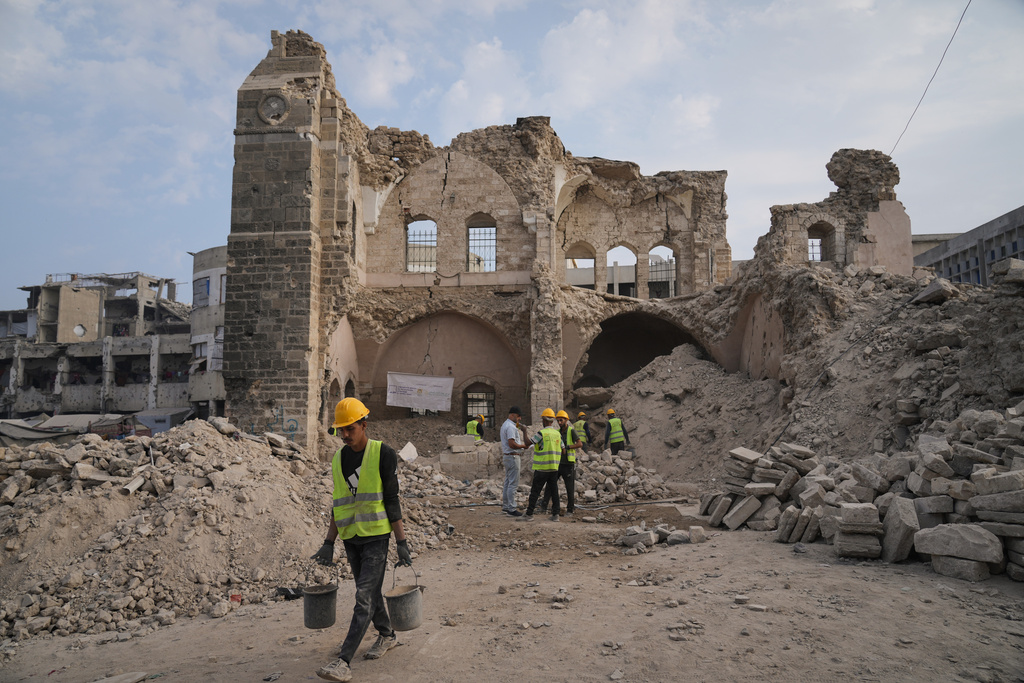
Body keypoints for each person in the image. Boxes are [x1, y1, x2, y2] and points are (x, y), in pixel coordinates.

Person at [311, 397, 413, 683]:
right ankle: (388, 635)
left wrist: (402, 542)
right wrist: (328, 542)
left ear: (364, 425)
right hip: (350, 537)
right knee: (369, 591)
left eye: (350, 429)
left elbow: (392, 500)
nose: (344, 435)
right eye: (340, 430)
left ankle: (343, 661)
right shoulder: (338, 458)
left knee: (363, 596)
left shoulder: (383, 453)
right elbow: (339, 502)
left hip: (377, 537)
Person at [524, 408, 563, 522]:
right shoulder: (557, 434)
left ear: (544, 421)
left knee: (535, 491)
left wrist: (524, 431)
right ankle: (556, 515)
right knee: (554, 491)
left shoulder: (541, 433)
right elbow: (563, 449)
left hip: (542, 467)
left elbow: (527, 443)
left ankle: (529, 514)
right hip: (554, 468)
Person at [541, 410, 581, 516]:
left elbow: (579, 443)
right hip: (558, 463)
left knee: (569, 487)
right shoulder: (557, 432)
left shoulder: (571, 431)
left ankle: (570, 509)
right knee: (550, 485)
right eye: (558, 420)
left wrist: (568, 447)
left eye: (561, 420)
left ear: (566, 420)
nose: (559, 422)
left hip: (568, 464)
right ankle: (544, 506)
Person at [499, 406, 529, 516]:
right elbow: (512, 444)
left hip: (508, 456)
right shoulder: (510, 427)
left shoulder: (505, 425)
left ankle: (506, 507)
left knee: (508, 482)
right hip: (513, 456)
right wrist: (523, 446)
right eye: (518, 416)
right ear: (512, 415)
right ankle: (511, 508)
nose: (519, 419)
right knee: (513, 484)